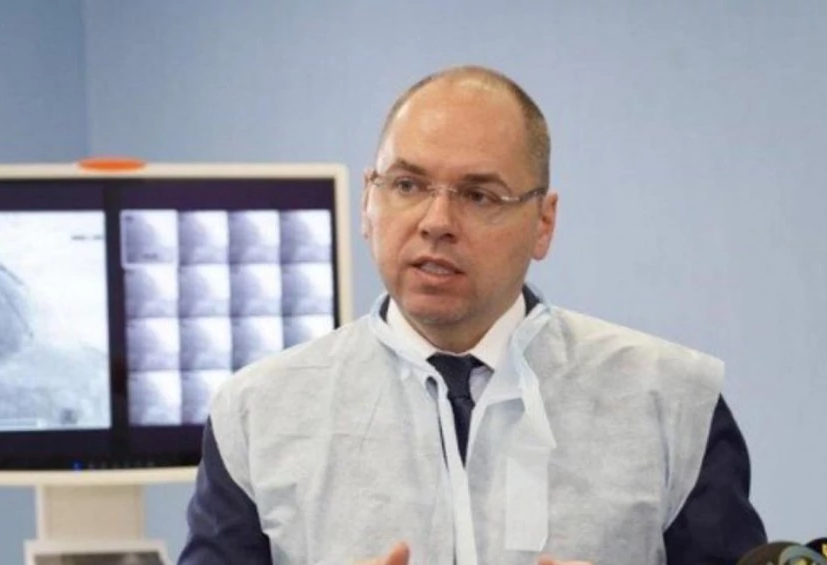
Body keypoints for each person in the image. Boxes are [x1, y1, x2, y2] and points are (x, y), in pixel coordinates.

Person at [179, 65, 767, 565]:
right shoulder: (257, 414)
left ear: (543, 222)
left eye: (479, 195)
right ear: (367, 201)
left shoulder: (670, 400)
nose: (436, 221)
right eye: (407, 185)